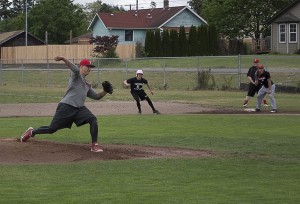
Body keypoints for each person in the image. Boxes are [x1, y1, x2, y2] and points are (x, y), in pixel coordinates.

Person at [20, 56, 110, 152]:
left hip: (79, 108)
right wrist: (63, 59)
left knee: (93, 120)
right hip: (66, 106)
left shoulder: (87, 84)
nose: (89, 68)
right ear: (81, 66)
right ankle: (32, 132)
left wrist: (105, 91)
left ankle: (94, 145)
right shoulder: (76, 76)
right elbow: (75, 69)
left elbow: (96, 96)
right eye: (87, 66)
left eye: (90, 67)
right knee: (52, 129)